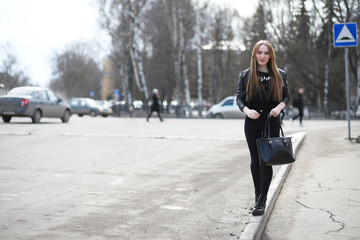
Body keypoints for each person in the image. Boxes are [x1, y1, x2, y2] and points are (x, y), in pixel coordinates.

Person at [236, 40, 290, 216]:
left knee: (266, 160)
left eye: (266, 53)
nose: (262, 56)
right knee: (255, 160)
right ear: (255, 54)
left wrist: (278, 108)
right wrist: (246, 110)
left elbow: (286, 97)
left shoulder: (280, 74)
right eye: (259, 52)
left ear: (270, 55)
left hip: (271, 121)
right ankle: (258, 195)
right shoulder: (246, 75)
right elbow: (239, 98)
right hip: (252, 121)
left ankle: (262, 200)